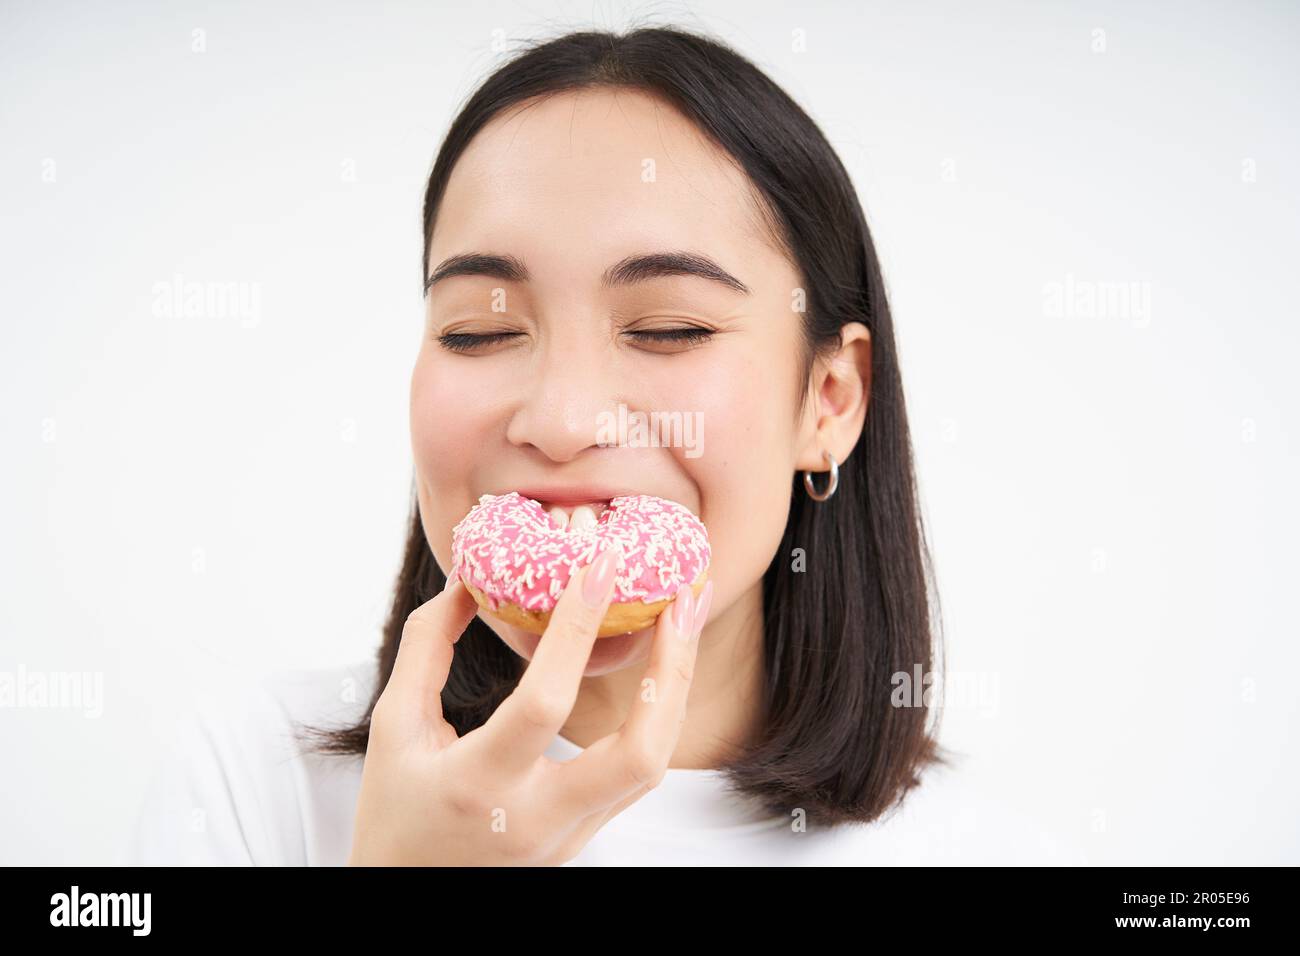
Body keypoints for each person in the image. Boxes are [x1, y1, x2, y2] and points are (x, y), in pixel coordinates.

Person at [124, 25, 1088, 866]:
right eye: (480, 330)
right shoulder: (252, 782)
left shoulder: (988, 855)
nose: (563, 419)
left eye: (669, 328)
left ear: (829, 400)